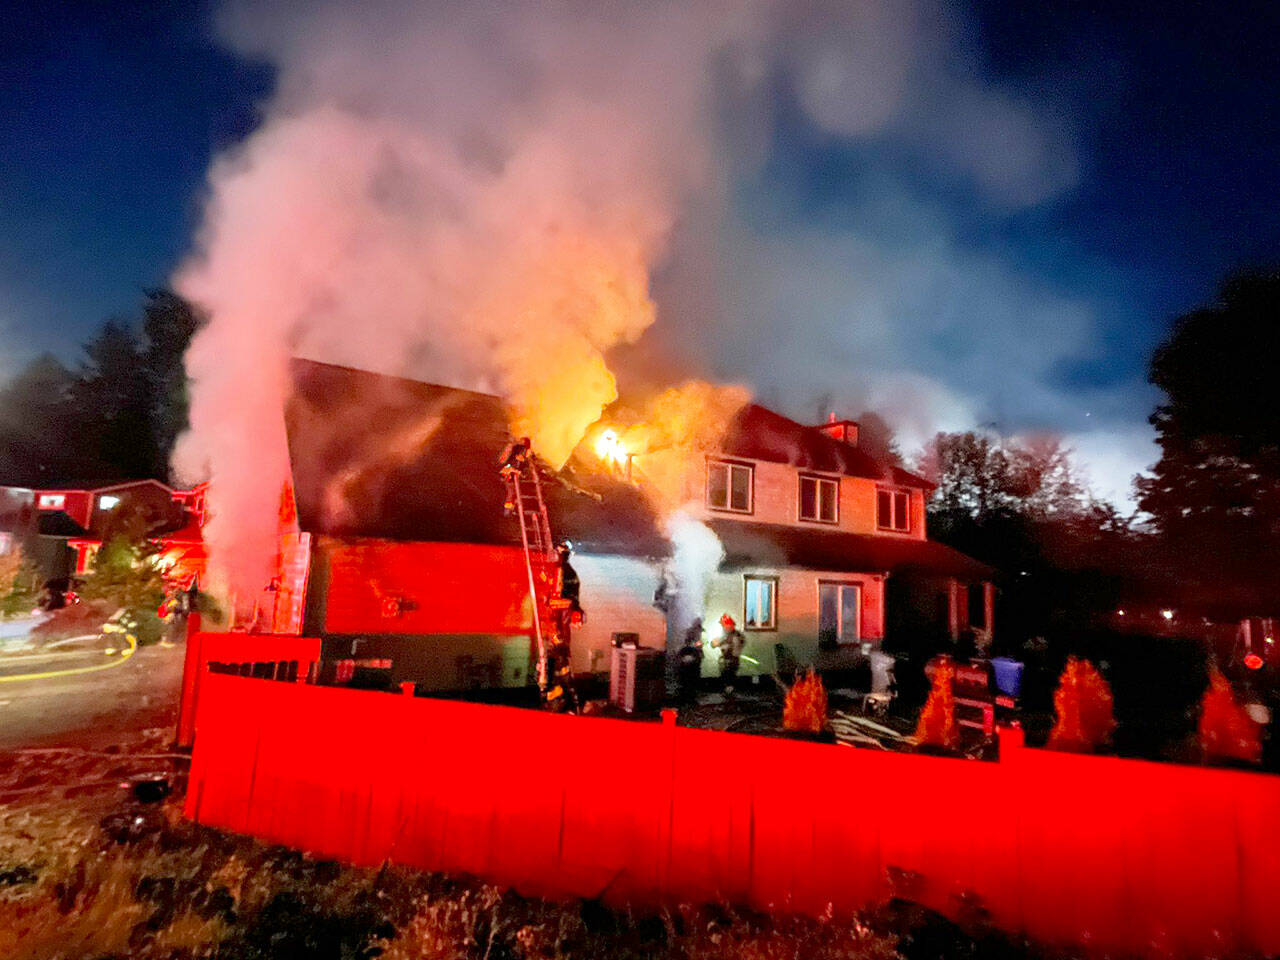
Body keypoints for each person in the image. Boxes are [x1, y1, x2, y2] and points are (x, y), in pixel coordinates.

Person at [713, 613, 745, 695]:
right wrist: (715, 643)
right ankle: (727, 692)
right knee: (725, 676)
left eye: (724, 625)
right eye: (723, 625)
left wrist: (726, 646)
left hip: (732, 660)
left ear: (730, 625)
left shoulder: (736, 635)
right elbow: (715, 644)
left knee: (730, 677)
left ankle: (730, 692)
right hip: (725, 660)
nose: (723, 627)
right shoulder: (725, 634)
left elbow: (737, 647)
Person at [676, 618, 704, 703]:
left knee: (688, 679)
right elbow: (697, 646)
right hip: (692, 659)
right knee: (691, 678)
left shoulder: (690, 635)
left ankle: (688, 696)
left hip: (690, 659)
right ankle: (690, 696)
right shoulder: (692, 635)